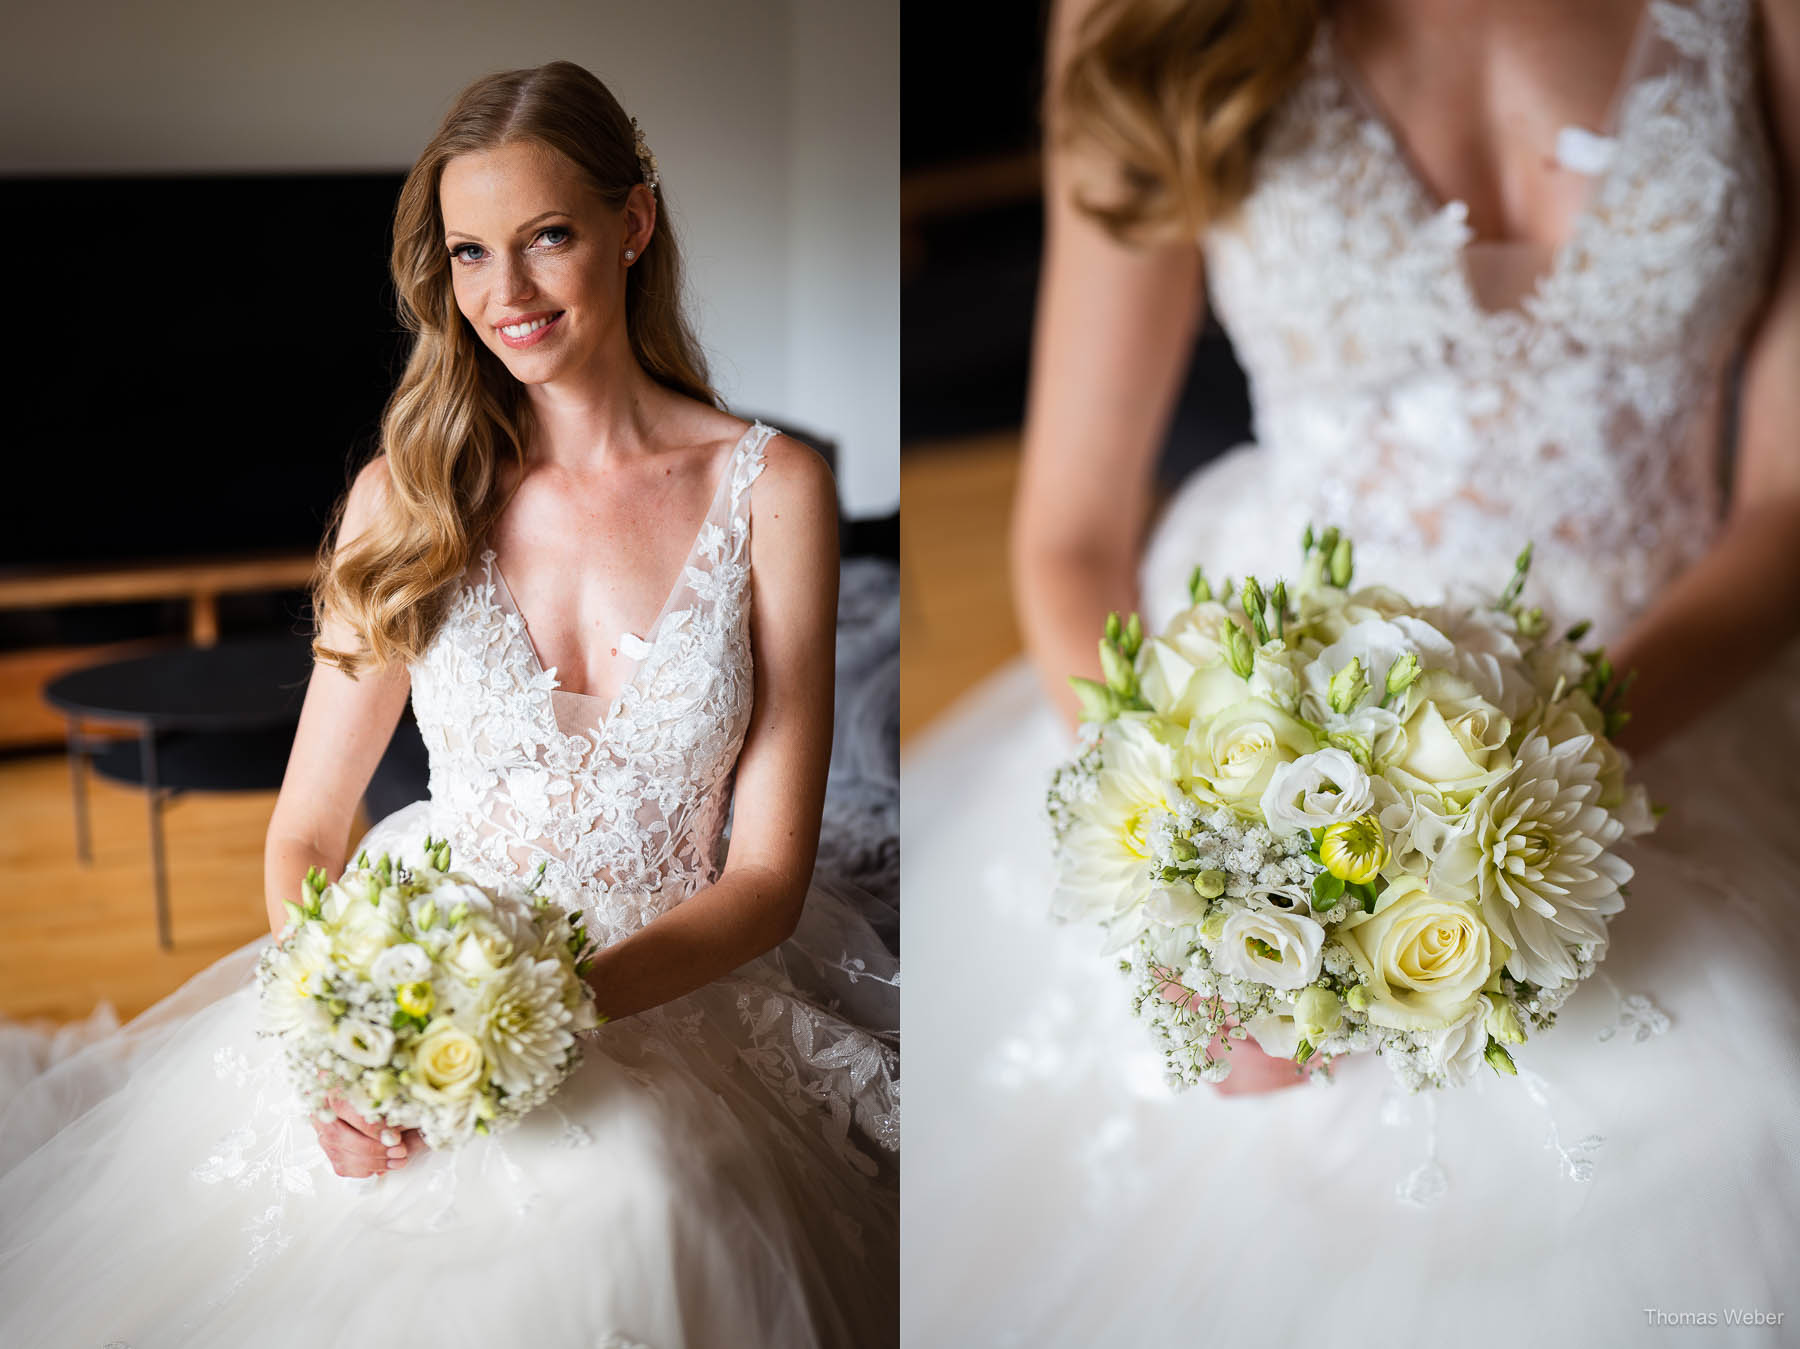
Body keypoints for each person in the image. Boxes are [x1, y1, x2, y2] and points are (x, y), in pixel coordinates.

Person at [904, 0, 1799, 1342]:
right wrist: (1200, 864)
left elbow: (1785, 508)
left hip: (1678, 680)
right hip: (1262, 720)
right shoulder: (1138, 20)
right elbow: (1073, 533)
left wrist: (1543, 766)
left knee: (1732, 1089)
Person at [0, 61, 898, 1349]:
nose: (507, 295)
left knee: (641, 1200)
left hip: (671, 973)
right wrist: (353, 1044)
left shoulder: (775, 490)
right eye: (471, 254)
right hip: (414, 969)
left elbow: (764, 875)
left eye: (547, 239)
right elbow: (309, 825)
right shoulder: (406, 497)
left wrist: (532, 1014)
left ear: (633, 224)